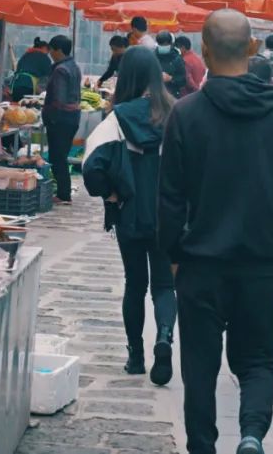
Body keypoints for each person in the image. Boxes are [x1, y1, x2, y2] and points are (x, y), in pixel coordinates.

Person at [159, 9, 273, 454]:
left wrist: (172, 253)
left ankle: (202, 447)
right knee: (258, 362)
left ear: (205, 51)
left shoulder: (186, 115)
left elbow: (169, 198)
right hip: (260, 265)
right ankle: (251, 435)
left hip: (200, 264)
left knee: (199, 365)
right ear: (252, 49)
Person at [83, 47, 177, 386]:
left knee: (135, 284)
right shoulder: (175, 113)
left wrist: (111, 193)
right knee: (165, 285)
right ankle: (164, 337)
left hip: (130, 214)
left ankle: (135, 357)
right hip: (169, 215)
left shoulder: (118, 119)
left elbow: (90, 166)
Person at [44, 35, 82, 204]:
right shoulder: (74, 66)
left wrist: (50, 115)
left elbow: (59, 98)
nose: (50, 54)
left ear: (58, 50)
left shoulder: (60, 70)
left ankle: (63, 194)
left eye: (51, 50)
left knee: (57, 156)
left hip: (60, 119)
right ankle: (63, 192)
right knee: (62, 155)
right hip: (73, 118)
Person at [155, 31, 188, 99]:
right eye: (160, 44)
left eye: (165, 44)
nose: (163, 46)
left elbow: (183, 80)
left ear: (170, 44)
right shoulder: (153, 57)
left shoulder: (177, 58)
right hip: (156, 96)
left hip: (173, 95)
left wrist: (171, 79)